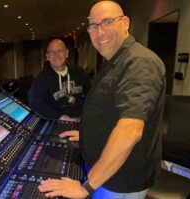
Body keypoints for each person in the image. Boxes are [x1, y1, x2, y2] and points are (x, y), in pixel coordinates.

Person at [38, 1, 166, 199]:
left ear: (125, 23)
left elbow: (130, 131)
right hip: (105, 174)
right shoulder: (115, 61)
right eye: (93, 26)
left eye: (107, 22)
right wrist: (89, 136)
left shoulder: (139, 63)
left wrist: (85, 188)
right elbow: (111, 111)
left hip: (120, 182)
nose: (100, 33)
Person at [28, 38, 91, 121]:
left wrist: (87, 113)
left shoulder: (79, 72)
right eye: (52, 52)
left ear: (66, 53)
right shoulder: (41, 79)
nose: (56, 55)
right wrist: (59, 116)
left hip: (82, 119)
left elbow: (92, 93)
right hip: (58, 122)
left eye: (59, 51)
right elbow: (35, 103)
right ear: (47, 56)